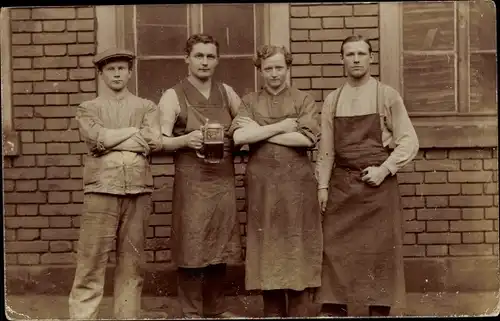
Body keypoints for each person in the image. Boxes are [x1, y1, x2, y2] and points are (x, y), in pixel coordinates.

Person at [314, 35, 419, 317]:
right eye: (350, 54)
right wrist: (322, 186)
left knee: (380, 250)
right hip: (342, 186)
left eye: (361, 53)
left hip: (378, 187)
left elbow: (409, 140)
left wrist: (384, 169)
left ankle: (378, 309)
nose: (356, 59)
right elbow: (326, 149)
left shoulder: (386, 95)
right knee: (335, 247)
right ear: (342, 60)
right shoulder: (333, 100)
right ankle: (334, 307)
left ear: (370, 58)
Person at [69, 48, 162, 319]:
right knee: (91, 261)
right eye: (111, 69)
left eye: (122, 68)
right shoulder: (88, 108)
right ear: (101, 74)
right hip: (100, 190)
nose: (117, 73)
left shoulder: (146, 106)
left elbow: (152, 140)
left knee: (132, 265)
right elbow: (94, 139)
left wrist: (109, 139)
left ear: (130, 72)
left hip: (138, 189)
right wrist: (133, 132)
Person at [230, 44, 323, 317]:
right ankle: (271, 309)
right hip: (262, 185)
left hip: (297, 185)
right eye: (268, 68)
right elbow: (238, 137)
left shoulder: (303, 99)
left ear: (288, 68)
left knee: (297, 242)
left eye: (279, 67)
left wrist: (259, 131)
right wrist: (283, 126)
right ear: (260, 70)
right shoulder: (249, 101)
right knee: (266, 244)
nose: (274, 74)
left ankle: (298, 309)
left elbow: (306, 138)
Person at [157, 33, 243, 318]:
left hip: (222, 180)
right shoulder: (173, 95)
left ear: (217, 61)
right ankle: (191, 313)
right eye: (199, 56)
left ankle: (215, 310)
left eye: (210, 56)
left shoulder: (227, 92)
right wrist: (185, 140)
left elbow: (244, 125)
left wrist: (238, 138)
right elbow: (157, 141)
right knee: (192, 244)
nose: (205, 62)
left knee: (220, 243)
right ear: (187, 59)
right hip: (192, 180)